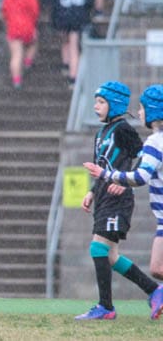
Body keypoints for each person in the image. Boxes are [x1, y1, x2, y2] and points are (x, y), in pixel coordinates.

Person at [83, 83, 163, 320]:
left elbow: (142, 160)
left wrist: (124, 182)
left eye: (101, 102)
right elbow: (102, 167)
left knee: (98, 248)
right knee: (111, 256)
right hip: (104, 197)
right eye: (96, 102)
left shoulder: (124, 130)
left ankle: (106, 307)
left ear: (115, 104)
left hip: (118, 199)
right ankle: (153, 290)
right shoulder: (101, 134)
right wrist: (92, 192)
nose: (96, 107)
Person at [51, 0, 92, 89]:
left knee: (65, 42)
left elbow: (55, 4)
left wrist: (55, 20)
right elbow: (89, 0)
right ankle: (73, 76)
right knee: (74, 47)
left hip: (63, 17)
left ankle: (65, 64)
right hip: (77, 17)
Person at [1, 0, 40, 89]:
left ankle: (16, 80)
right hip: (27, 27)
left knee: (16, 54)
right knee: (34, 43)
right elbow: (35, 12)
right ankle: (28, 62)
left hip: (13, 28)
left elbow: (4, 13)